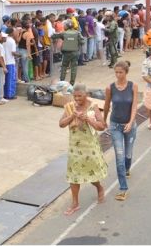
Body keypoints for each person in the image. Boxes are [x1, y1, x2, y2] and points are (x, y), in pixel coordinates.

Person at [59, 83, 107, 215]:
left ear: (86, 95)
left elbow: (102, 126)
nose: (77, 99)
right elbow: (61, 124)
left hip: (90, 147)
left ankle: (99, 187)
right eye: (75, 96)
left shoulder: (93, 107)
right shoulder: (70, 107)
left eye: (80, 96)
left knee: (91, 174)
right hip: (75, 147)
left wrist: (88, 119)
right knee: (74, 176)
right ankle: (75, 203)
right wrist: (72, 116)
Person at [103, 61, 138, 201]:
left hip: (129, 125)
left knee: (128, 154)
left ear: (126, 72)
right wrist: (103, 120)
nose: (118, 75)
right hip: (115, 125)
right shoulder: (110, 88)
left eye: (120, 72)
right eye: (116, 72)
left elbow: (135, 106)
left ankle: (127, 169)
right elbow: (106, 105)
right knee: (119, 156)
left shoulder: (133, 86)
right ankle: (123, 188)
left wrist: (130, 122)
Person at [51, 20, 84, 85]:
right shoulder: (77, 33)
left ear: (66, 26)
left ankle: (62, 82)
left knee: (64, 67)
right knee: (74, 67)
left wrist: (63, 38)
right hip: (75, 52)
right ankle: (72, 83)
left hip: (66, 53)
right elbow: (82, 42)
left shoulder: (63, 33)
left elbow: (53, 36)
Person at [3, 27, 18, 100]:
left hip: (4, 62)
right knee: (11, 79)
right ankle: (10, 94)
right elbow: (13, 52)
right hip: (10, 62)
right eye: (15, 32)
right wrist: (19, 55)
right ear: (11, 33)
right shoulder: (12, 41)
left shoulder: (3, 40)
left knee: (6, 80)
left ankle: (5, 94)